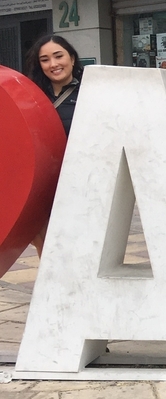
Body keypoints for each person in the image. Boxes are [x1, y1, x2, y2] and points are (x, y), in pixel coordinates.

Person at [23, 34, 84, 255]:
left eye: (59, 56)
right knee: (46, 245)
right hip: (42, 184)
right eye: (45, 59)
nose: (53, 64)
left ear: (72, 58)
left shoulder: (91, 91)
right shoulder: (31, 94)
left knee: (76, 243)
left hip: (78, 184)